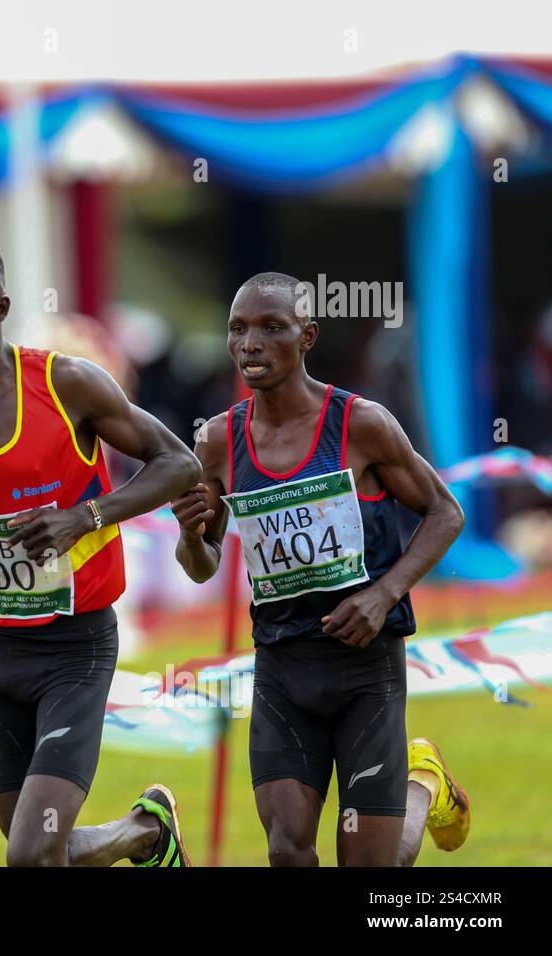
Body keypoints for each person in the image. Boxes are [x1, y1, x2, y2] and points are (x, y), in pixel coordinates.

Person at [0, 238, 201, 867]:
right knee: (37, 850)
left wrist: (85, 517)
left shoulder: (66, 385)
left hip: (73, 649)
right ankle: (147, 833)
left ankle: (145, 833)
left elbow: (180, 464)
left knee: (29, 854)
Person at [172, 272, 471, 867]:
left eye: (270, 328)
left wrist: (384, 594)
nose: (250, 344)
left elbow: (445, 513)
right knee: (287, 851)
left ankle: (422, 786)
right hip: (283, 665)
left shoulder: (361, 424)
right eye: (238, 329)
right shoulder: (216, 443)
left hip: (365, 667)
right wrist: (190, 531)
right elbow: (201, 566)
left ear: (306, 336)